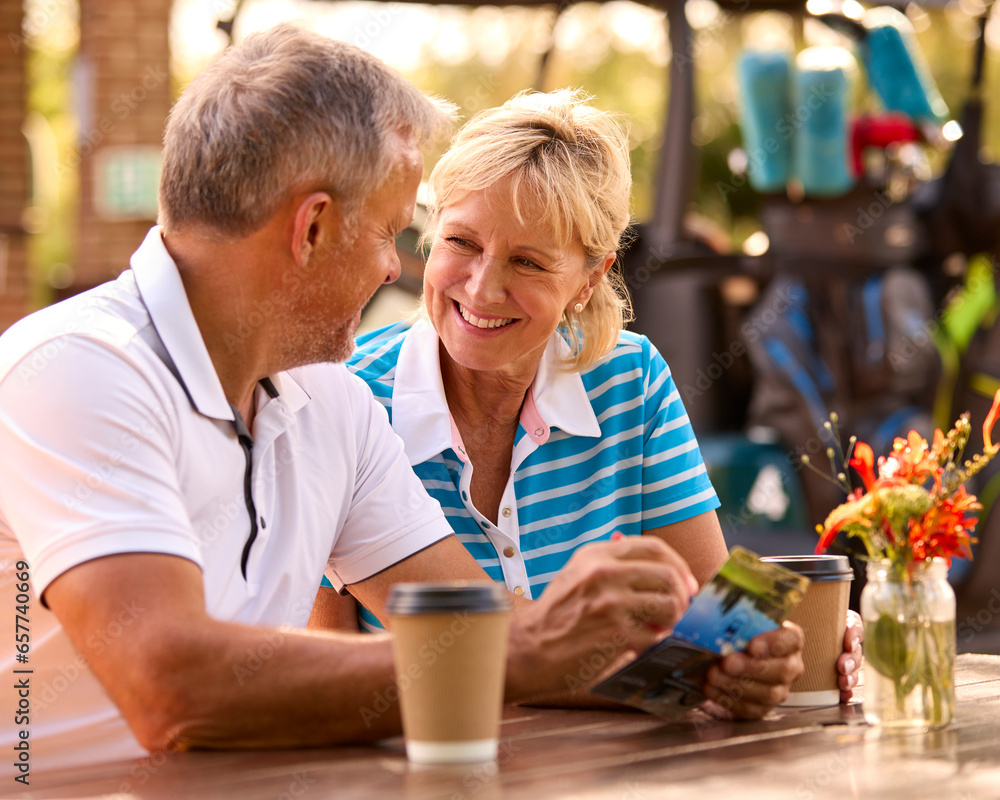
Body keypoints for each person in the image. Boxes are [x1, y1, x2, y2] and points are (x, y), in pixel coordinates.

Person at [0, 27, 734, 775]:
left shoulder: (329, 401)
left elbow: (474, 630)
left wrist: (707, 672)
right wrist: (533, 649)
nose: (394, 269)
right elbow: (172, 689)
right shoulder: (74, 369)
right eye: (391, 232)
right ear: (312, 227)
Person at [313, 89, 862, 704]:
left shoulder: (632, 380)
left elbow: (715, 621)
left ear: (590, 279)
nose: (483, 286)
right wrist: (671, 675)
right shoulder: (347, 397)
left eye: (528, 262)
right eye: (460, 243)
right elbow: (334, 675)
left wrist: (765, 650)